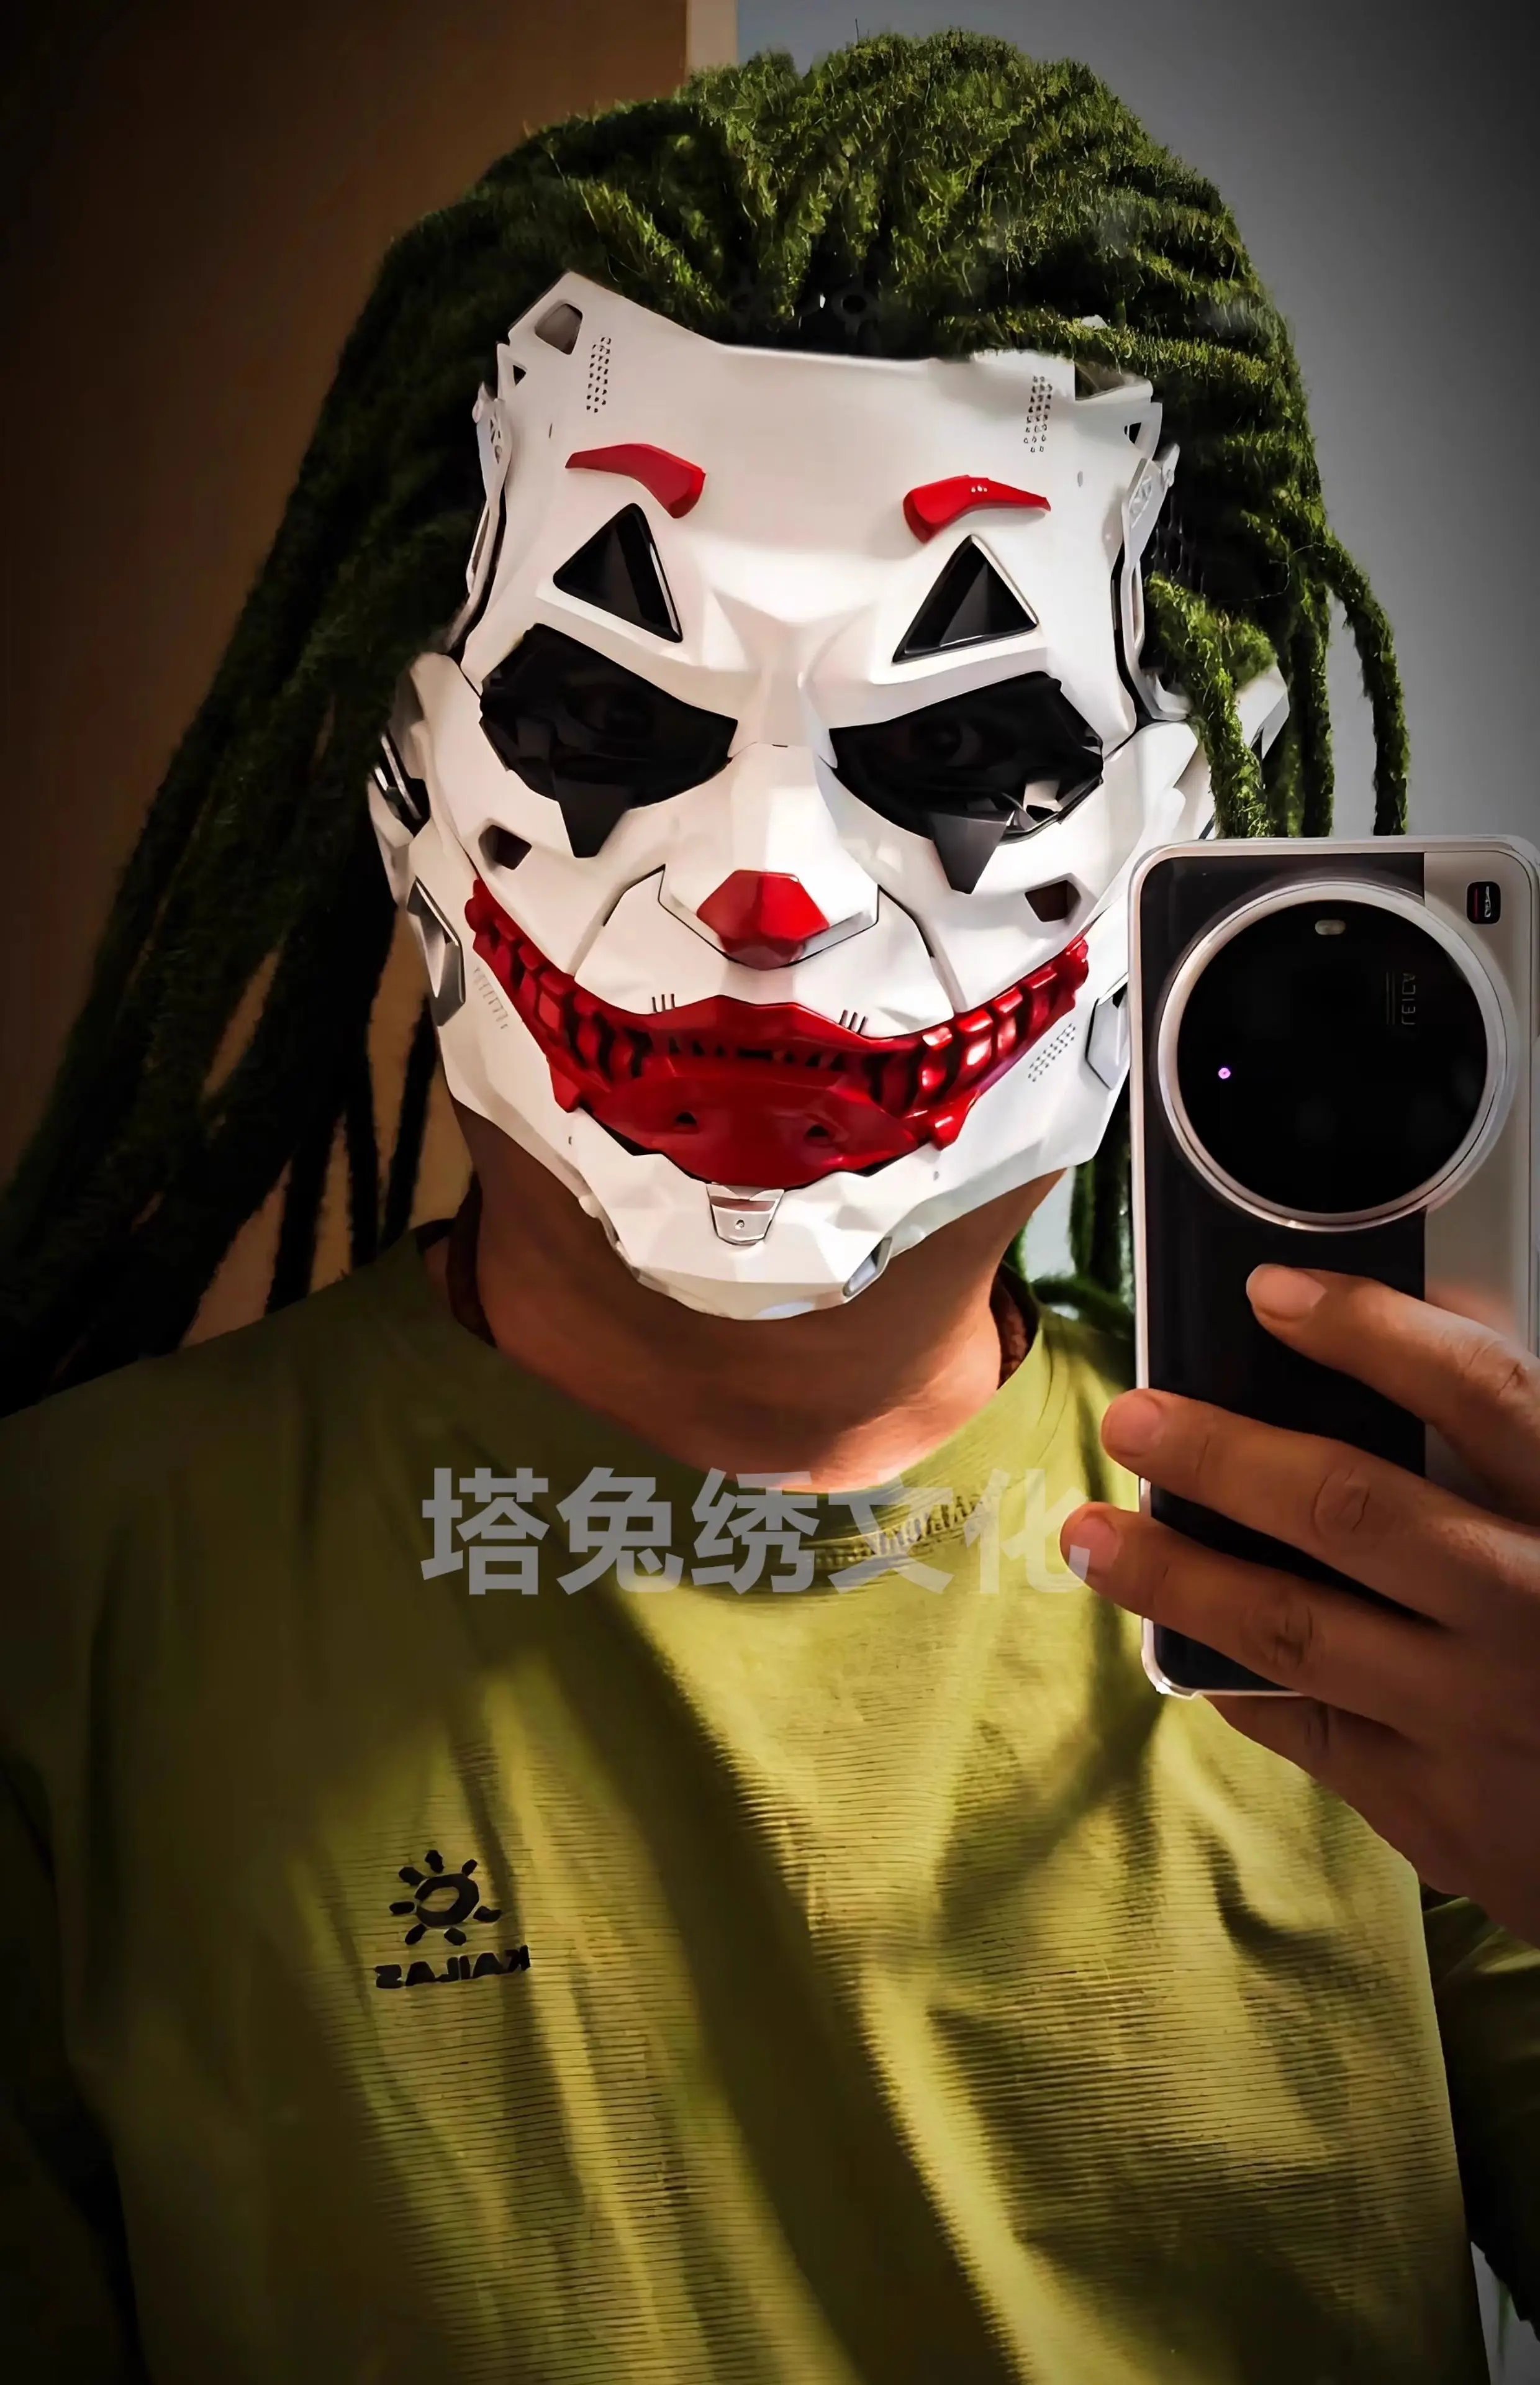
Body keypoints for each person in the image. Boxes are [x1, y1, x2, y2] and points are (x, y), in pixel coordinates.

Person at [0, 32, 1534, 2383]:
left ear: (1175, 840)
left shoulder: (1381, 1611)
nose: (772, 896)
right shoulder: (65, 1606)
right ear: (408, 778)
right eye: (614, 724)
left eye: (967, 750)